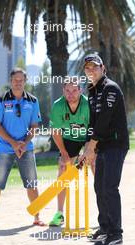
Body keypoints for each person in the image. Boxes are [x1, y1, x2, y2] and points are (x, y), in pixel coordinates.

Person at [0, 68, 45, 229]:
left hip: (26, 148)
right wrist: (13, 143)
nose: (18, 83)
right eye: (15, 80)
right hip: (4, 148)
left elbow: (34, 126)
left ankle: (37, 217)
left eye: (21, 80)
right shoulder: (0, 100)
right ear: (10, 81)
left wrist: (23, 143)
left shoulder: (33, 101)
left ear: (25, 81)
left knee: (32, 184)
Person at [79, 54, 129, 245]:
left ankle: (116, 234)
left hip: (116, 145)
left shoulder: (110, 88)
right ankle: (105, 228)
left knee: (109, 187)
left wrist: (91, 147)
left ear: (103, 68)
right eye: (87, 68)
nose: (91, 70)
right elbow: (92, 122)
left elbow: (104, 121)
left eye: (94, 67)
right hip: (102, 145)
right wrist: (87, 146)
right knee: (99, 187)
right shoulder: (92, 90)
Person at [49, 80, 90, 226]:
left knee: (97, 166)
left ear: (80, 90)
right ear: (63, 91)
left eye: (74, 91)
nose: (71, 94)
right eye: (68, 91)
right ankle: (59, 214)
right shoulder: (58, 105)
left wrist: (88, 150)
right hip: (68, 139)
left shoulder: (87, 104)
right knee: (62, 168)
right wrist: (63, 152)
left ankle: (104, 213)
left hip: (87, 137)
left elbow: (94, 130)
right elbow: (55, 131)